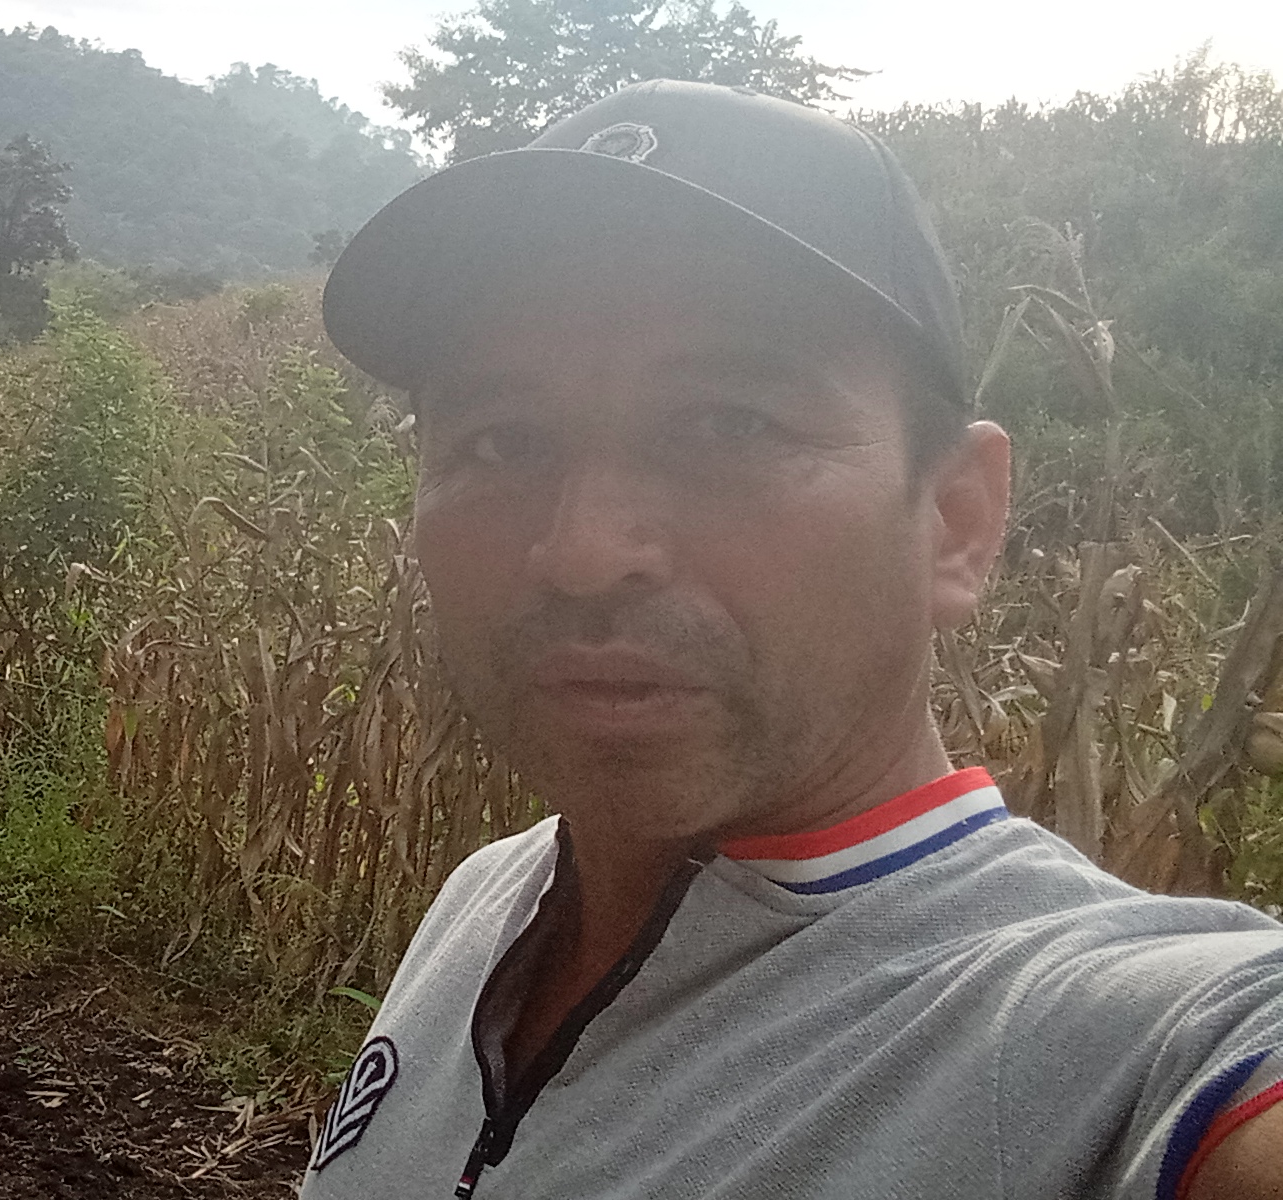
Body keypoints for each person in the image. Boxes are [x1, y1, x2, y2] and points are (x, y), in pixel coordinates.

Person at [308, 81, 1283, 1199]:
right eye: (500, 441)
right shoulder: (486, 901)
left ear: (956, 521)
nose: (582, 552)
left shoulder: (1123, 1051)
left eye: (728, 425)